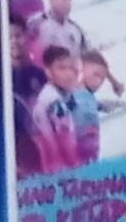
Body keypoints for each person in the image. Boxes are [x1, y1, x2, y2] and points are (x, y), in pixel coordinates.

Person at [28, 0, 125, 95]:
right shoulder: (35, 24)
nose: (68, 2)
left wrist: (113, 82)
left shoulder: (75, 30)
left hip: (67, 89)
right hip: (39, 87)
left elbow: (92, 56)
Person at [32, 45, 81, 174]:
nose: (69, 73)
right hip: (61, 169)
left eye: (71, 67)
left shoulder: (63, 93)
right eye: (62, 68)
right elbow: (66, 143)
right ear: (48, 73)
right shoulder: (54, 102)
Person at [72, 50, 125, 164]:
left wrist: (114, 105)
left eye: (102, 79)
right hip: (78, 143)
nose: (98, 82)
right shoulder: (73, 92)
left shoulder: (88, 95)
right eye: (96, 74)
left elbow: (97, 105)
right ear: (80, 68)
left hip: (92, 146)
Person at [9, 14, 46, 178]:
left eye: (18, 36)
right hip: (16, 151)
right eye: (9, 37)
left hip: (42, 147)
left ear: (26, 37)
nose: (14, 41)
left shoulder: (39, 75)